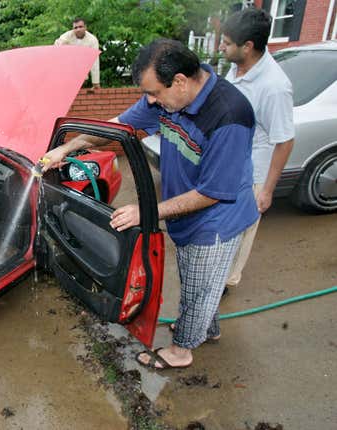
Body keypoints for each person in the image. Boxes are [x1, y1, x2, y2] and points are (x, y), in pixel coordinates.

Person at [42, 39, 258, 370]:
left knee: (200, 282)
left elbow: (213, 192)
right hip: (186, 209)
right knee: (198, 280)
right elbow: (118, 128)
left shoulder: (229, 115)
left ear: (181, 81)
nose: (149, 102)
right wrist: (69, 148)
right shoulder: (166, 100)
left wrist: (147, 211)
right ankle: (205, 328)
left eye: (154, 93)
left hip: (217, 217)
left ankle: (182, 350)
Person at [220, 8, 295, 290]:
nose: (221, 47)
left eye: (227, 43)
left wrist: (266, 190)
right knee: (221, 229)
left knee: (241, 233)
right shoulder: (237, 67)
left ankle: (226, 283)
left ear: (248, 46)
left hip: (252, 175)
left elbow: (285, 140)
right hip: (228, 164)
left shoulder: (274, 87)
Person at [55, 17, 101, 89]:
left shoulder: (93, 40)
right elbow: (56, 49)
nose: (78, 29)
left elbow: (94, 61)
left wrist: (95, 82)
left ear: (85, 27)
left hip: (82, 71)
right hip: (66, 69)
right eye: (75, 28)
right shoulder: (66, 36)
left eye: (80, 27)